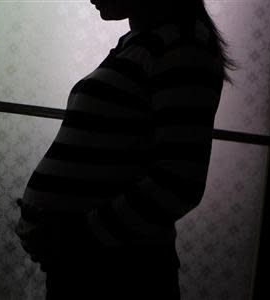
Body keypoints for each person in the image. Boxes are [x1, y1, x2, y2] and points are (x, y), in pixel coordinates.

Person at [15, 0, 236, 299]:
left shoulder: (182, 47)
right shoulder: (144, 41)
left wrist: (76, 236)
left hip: (120, 274)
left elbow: (179, 183)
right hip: (94, 266)